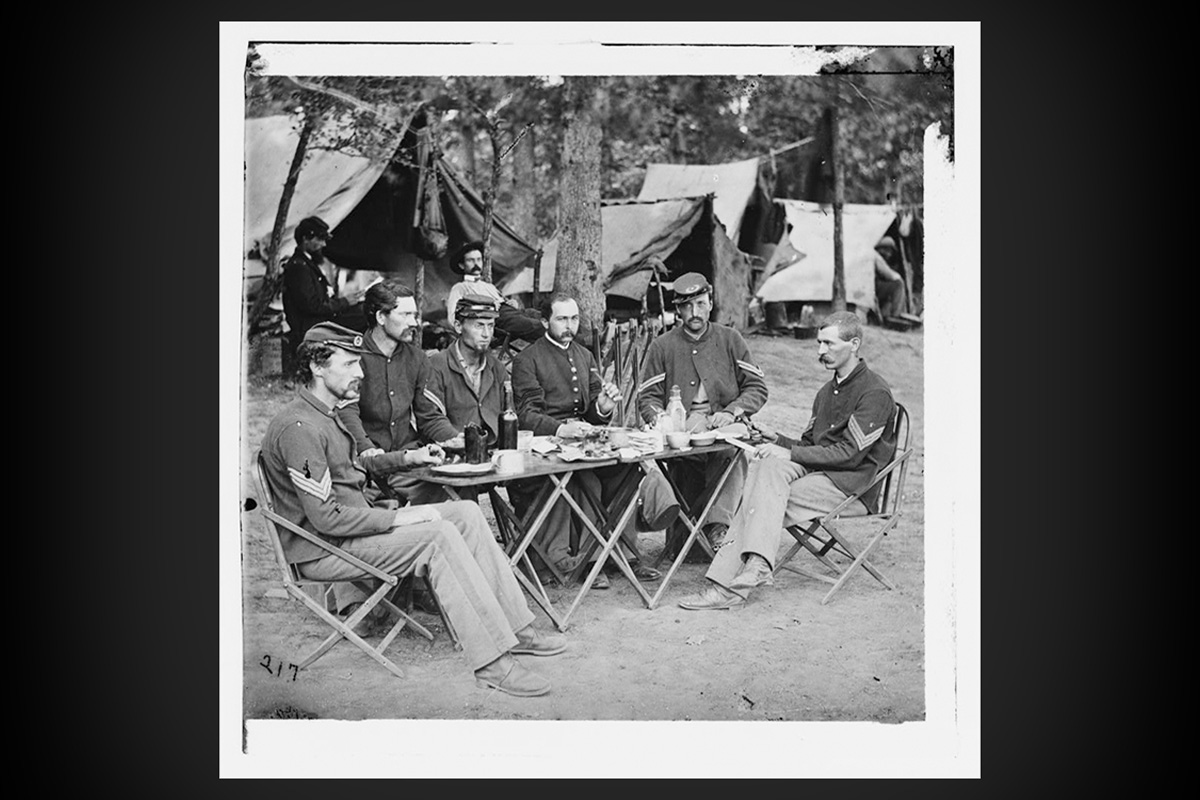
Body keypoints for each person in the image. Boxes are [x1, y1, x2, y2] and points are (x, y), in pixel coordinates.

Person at [259, 322, 567, 696]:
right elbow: (325, 517)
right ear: (316, 367)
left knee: (466, 514)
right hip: (326, 547)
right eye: (349, 364)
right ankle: (492, 663)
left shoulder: (327, 414)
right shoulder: (299, 427)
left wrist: (408, 459)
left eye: (360, 363)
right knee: (436, 537)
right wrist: (399, 516)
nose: (360, 373)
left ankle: (516, 628)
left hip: (354, 532)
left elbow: (357, 469)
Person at [677, 311, 897, 611]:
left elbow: (849, 454)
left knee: (760, 496)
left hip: (852, 485)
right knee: (764, 470)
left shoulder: (875, 392)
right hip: (820, 474)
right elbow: (811, 446)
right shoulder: (826, 392)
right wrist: (776, 439)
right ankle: (753, 568)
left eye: (829, 344)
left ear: (854, 344)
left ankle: (727, 582)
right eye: (819, 343)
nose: (821, 351)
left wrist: (790, 453)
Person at [510, 293, 678, 588]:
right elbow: (527, 415)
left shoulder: (583, 355)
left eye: (574, 319)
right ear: (544, 320)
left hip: (583, 443)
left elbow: (592, 413)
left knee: (627, 470)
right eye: (562, 319)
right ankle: (590, 559)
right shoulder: (528, 359)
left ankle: (622, 551)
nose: (569, 326)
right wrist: (564, 429)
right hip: (546, 447)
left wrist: (603, 406)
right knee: (587, 478)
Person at [333, 279, 446, 615]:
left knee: (447, 493)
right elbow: (347, 413)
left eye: (416, 314)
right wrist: (368, 449)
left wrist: (450, 437)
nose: (415, 322)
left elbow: (428, 418)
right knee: (354, 508)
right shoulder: (352, 356)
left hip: (405, 459)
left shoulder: (416, 358)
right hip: (362, 461)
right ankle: (361, 599)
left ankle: (426, 581)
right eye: (406, 314)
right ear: (381, 317)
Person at [637, 272, 768, 555]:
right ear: (678, 309)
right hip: (683, 428)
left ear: (711, 303)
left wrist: (733, 411)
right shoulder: (663, 345)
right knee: (688, 461)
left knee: (732, 452)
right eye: (687, 306)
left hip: (724, 423)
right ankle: (691, 531)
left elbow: (757, 387)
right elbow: (647, 397)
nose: (694, 313)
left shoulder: (730, 339)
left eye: (700, 304)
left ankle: (718, 526)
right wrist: (661, 419)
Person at [420, 294, 509, 458]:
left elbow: (509, 413)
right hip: (451, 455)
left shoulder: (497, 369)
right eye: (479, 326)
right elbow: (430, 418)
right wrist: (458, 440)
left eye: (490, 326)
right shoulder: (437, 365)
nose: (486, 334)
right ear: (458, 326)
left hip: (494, 455)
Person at [282, 216, 367, 367]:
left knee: (365, 310)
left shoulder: (306, 263)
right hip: (311, 325)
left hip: (318, 319)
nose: (323, 244)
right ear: (305, 239)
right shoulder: (298, 267)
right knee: (365, 317)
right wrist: (345, 302)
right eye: (319, 240)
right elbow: (312, 306)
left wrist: (347, 301)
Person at [443, 240, 544, 346]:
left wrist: (511, 302)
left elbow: (503, 301)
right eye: (471, 260)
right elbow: (452, 318)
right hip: (497, 321)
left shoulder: (488, 286)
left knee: (546, 317)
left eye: (479, 260)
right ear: (462, 265)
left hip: (514, 314)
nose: (476, 264)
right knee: (540, 326)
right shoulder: (460, 288)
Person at [873, 236, 908, 320]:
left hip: (873, 288)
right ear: (882, 249)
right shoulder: (877, 256)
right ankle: (895, 315)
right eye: (887, 250)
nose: (889, 254)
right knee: (898, 284)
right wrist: (898, 277)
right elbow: (890, 275)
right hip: (873, 288)